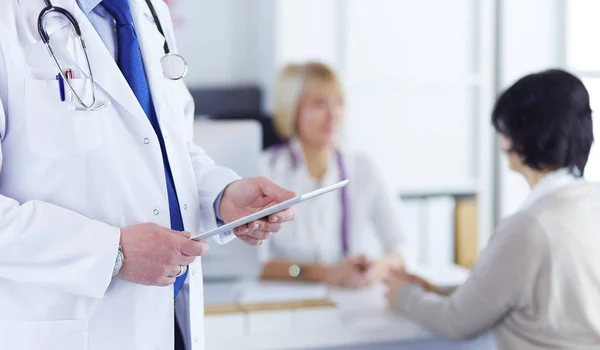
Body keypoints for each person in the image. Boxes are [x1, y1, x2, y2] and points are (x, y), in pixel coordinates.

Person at [0, 1, 296, 350]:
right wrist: (113, 252)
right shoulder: (10, 20)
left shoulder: (149, 12)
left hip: (171, 322)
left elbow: (172, 148)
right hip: (71, 330)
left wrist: (221, 195)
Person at [385, 69, 600, 349]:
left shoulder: (529, 227)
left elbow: (456, 321)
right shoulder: (590, 201)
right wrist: (440, 289)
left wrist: (403, 295)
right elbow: (531, 292)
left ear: (516, 138)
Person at [259, 62, 405, 288]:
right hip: (282, 302)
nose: (333, 114)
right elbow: (256, 264)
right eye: (319, 104)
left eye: (339, 103)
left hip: (349, 298)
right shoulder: (266, 169)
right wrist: (325, 273)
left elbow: (400, 247)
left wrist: (376, 269)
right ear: (292, 109)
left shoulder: (362, 167)